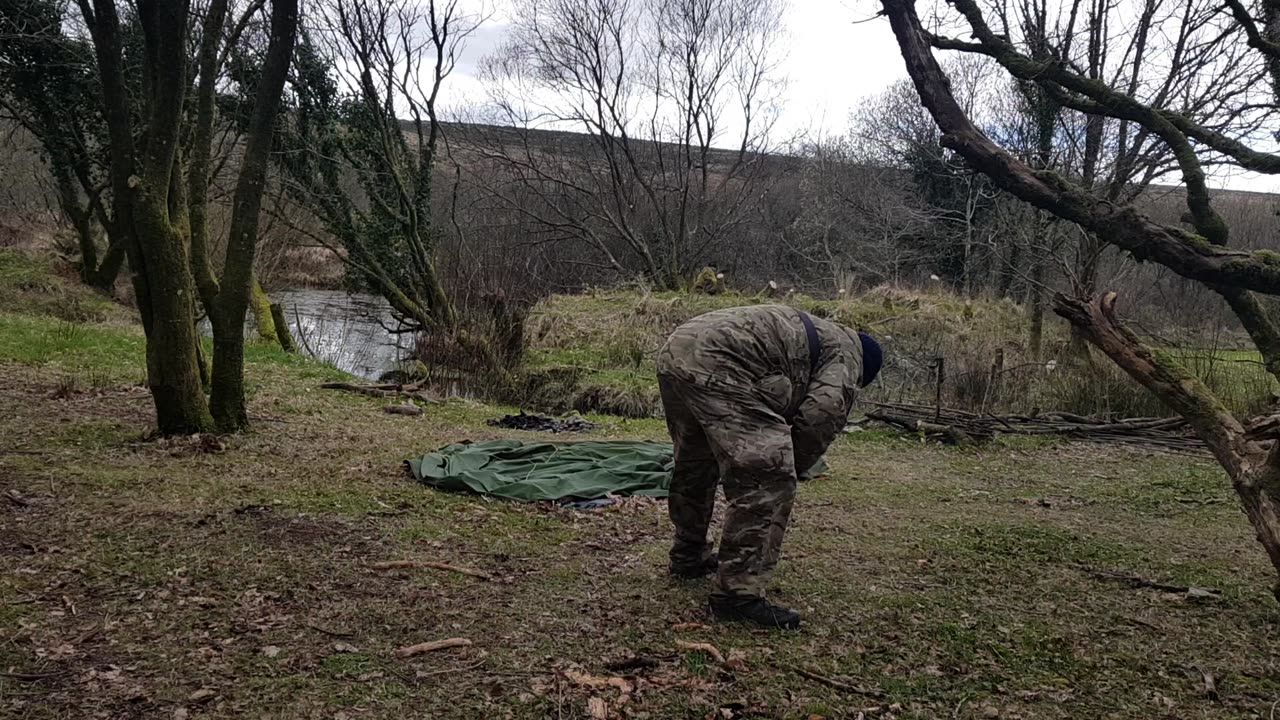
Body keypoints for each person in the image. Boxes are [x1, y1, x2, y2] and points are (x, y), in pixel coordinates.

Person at [656, 304, 883, 629]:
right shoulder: (850, 357)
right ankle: (737, 595)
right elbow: (820, 415)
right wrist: (792, 466)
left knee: (696, 461)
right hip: (721, 360)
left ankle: (688, 555)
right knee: (769, 479)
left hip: (677, 347)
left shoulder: (824, 334)